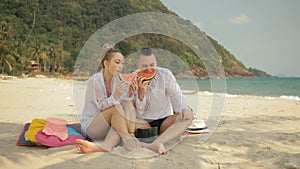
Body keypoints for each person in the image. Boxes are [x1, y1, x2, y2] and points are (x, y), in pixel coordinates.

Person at [76, 44, 142, 153]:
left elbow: (124, 105)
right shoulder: (95, 80)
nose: (120, 66)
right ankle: (127, 139)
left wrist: (130, 93)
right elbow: (102, 106)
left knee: (127, 104)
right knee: (116, 108)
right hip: (92, 126)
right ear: (106, 63)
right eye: (117, 62)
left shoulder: (118, 80)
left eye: (122, 63)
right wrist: (116, 95)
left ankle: (114, 142)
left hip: (110, 124)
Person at [134, 48, 194, 155]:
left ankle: (158, 142)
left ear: (156, 63)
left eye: (152, 65)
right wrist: (141, 93)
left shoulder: (165, 75)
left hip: (165, 122)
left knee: (188, 116)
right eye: (144, 66)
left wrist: (184, 108)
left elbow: (176, 95)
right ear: (137, 66)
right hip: (143, 123)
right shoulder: (133, 79)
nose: (149, 69)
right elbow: (138, 112)